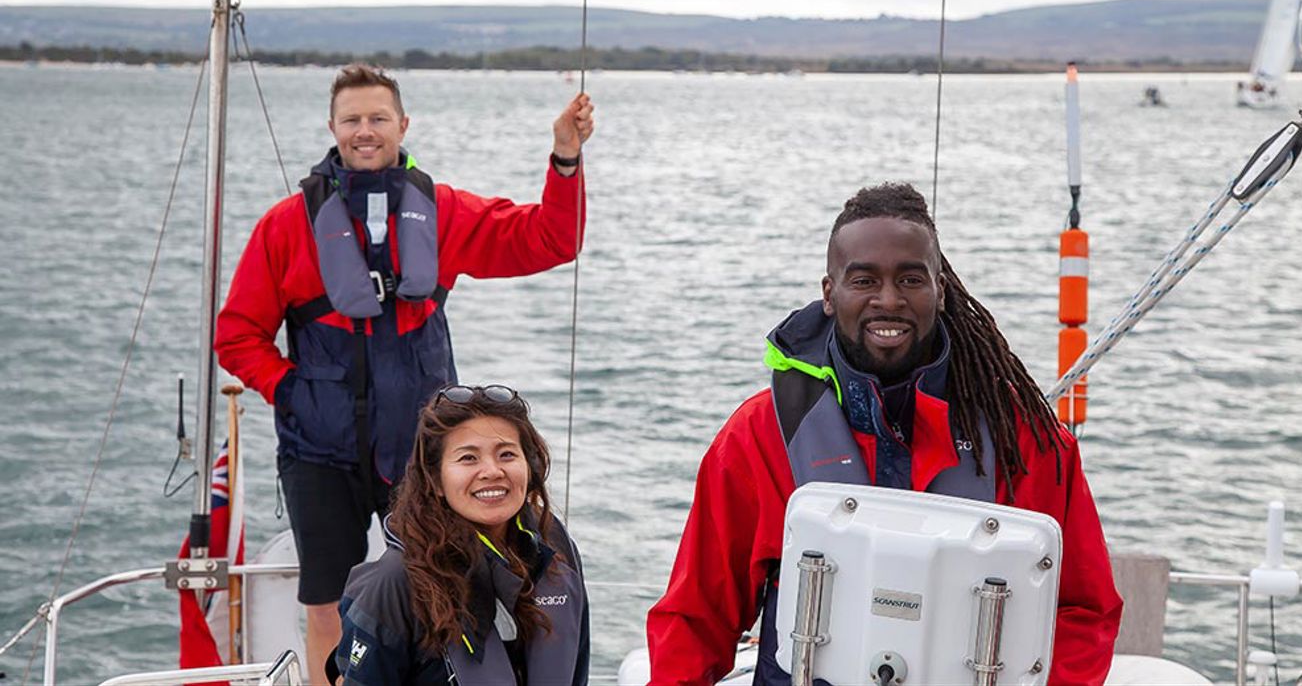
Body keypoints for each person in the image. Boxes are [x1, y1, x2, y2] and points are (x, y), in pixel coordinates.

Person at [646, 183, 1123, 685]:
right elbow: (695, 618)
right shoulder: (759, 436)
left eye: (911, 279)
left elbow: (1082, 611)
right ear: (829, 294)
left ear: (940, 289)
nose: (888, 300)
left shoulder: (1022, 438)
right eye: (864, 280)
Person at [214, 63, 593, 685]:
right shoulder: (286, 225)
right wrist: (289, 391)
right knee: (326, 599)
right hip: (319, 449)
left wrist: (565, 159)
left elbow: (551, 239)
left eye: (378, 118)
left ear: (403, 124)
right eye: (353, 119)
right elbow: (236, 335)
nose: (366, 130)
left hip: (424, 449)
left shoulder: (441, 211)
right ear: (332, 127)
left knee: (444, 583)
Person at [332, 384, 589, 685]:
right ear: (436, 481)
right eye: (469, 458)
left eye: (506, 454)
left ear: (529, 467)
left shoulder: (554, 544)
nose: (492, 471)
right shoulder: (393, 583)